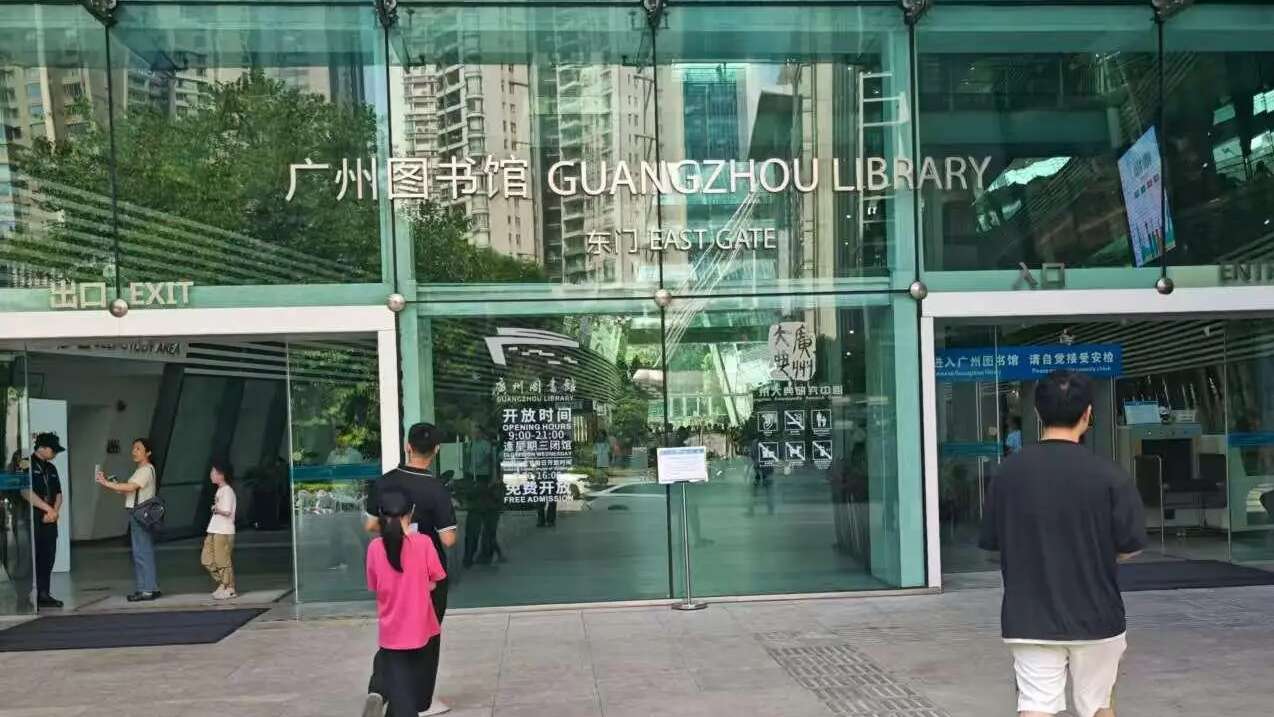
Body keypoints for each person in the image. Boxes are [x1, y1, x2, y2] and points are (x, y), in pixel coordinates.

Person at [979, 370, 1146, 717]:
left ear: (1037, 412)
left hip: (1029, 618)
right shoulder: (1110, 475)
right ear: (1088, 413)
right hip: (1098, 616)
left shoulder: (1007, 474)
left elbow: (994, 543)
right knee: (1099, 706)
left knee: (1035, 706)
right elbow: (1130, 545)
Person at [364, 422, 458, 717]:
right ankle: (420, 702)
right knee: (426, 635)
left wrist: (394, 531)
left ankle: (379, 688)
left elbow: (370, 525)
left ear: (408, 446)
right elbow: (448, 539)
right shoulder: (436, 488)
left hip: (390, 567)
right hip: (425, 573)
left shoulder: (384, 482)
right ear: (436, 450)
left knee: (394, 631)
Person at [362, 490, 447, 717]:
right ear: (411, 513)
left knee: (399, 685)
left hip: (391, 629)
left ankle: (377, 694)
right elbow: (436, 579)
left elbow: (375, 585)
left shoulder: (374, 548)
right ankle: (381, 696)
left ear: (381, 515)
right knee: (409, 696)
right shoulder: (423, 543)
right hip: (421, 627)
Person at [95, 438, 161, 602]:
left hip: (139, 514)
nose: (134, 452)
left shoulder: (145, 470)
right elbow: (128, 491)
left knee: (141, 552)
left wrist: (106, 483)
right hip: (140, 514)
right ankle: (150, 587)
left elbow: (130, 487)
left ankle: (146, 590)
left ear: (148, 452)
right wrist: (112, 483)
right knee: (143, 551)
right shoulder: (143, 470)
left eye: (138, 449)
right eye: (133, 448)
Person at [25, 433, 65, 608]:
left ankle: (43, 593)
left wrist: (54, 512)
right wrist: (47, 509)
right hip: (33, 517)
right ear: (41, 447)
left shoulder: (51, 468)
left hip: (50, 520)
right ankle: (27, 596)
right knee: (31, 558)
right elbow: (25, 492)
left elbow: (59, 494)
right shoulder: (26, 464)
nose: (55, 453)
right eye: (52, 450)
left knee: (47, 557)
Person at [201, 458, 237, 600]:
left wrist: (216, 509)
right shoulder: (220, 490)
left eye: (214, 472)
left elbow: (227, 511)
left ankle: (229, 587)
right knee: (207, 559)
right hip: (214, 529)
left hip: (224, 530)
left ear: (222, 474)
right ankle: (223, 583)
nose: (211, 475)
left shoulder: (227, 491)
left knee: (223, 561)